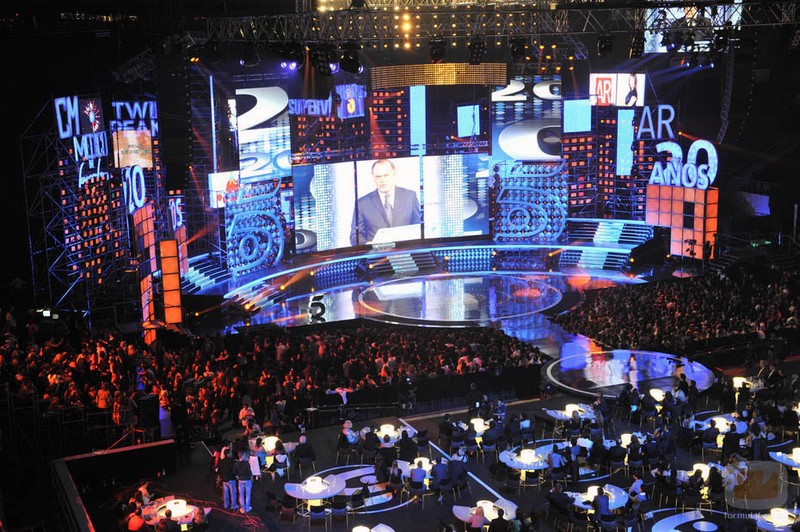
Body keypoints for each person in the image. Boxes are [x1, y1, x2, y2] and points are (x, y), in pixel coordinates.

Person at [350, 158, 421, 245]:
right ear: (373, 177)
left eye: (386, 175)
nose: (382, 180)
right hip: (376, 253)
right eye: (378, 177)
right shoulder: (362, 204)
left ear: (394, 175)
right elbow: (354, 236)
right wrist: (368, 245)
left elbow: (418, 228)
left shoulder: (410, 196)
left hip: (406, 251)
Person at [218, 446, 238, 511]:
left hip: (224, 479)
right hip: (231, 479)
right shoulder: (231, 461)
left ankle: (226, 504)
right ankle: (233, 505)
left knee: (225, 493)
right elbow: (233, 470)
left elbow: (219, 470)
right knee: (233, 493)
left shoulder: (221, 461)